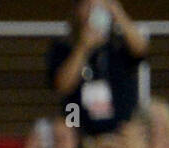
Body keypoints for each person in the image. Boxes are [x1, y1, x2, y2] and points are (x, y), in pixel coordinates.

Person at [48, 1, 148, 136]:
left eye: (98, 8)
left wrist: (118, 13)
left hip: (120, 130)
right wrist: (83, 48)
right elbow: (63, 85)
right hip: (79, 127)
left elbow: (140, 50)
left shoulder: (119, 44)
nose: (92, 13)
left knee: (139, 128)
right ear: (77, 10)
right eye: (88, 7)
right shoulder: (64, 47)